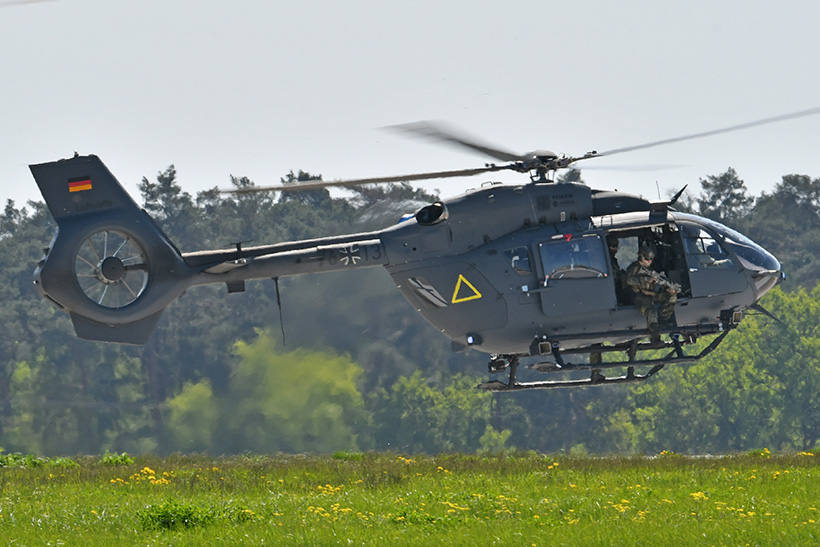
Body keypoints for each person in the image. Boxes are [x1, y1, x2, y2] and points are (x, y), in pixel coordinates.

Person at [626, 244, 679, 342]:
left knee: (672, 295)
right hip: (639, 297)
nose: (649, 261)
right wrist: (644, 280)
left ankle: (663, 318)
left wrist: (667, 287)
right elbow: (629, 280)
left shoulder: (650, 270)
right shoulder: (634, 268)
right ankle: (655, 338)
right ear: (641, 257)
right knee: (652, 311)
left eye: (651, 259)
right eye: (647, 259)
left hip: (651, 295)